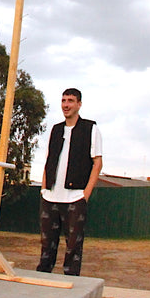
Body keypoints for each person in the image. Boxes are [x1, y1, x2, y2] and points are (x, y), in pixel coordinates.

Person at [37, 87, 103, 276]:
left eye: (71, 101)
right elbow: (49, 160)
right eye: (64, 101)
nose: (66, 105)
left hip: (75, 197)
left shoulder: (91, 129)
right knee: (46, 245)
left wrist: (85, 195)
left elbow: (97, 163)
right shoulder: (56, 130)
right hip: (50, 197)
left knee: (73, 246)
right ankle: (42, 279)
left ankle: (71, 282)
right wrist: (43, 189)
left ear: (79, 104)